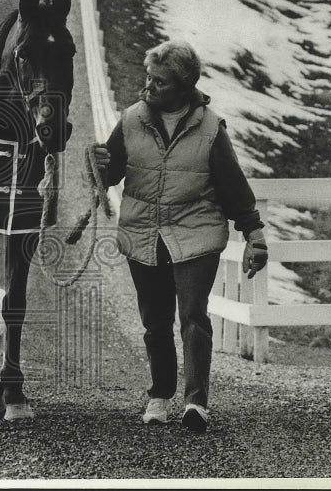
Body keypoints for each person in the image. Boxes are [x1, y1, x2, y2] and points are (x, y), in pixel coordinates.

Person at [93, 40, 267, 433]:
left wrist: (254, 235)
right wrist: (100, 167)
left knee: (192, 317)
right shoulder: (131, 120)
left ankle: (195, 402)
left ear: (185, 86)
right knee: (155, 322)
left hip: (196, 233)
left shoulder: (210, 128)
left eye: (160, 82)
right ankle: (160, 394)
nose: (149, 87)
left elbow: (234, 188)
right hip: (143, 234)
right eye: (148, 78)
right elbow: (111, 176)